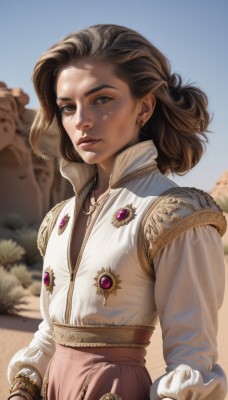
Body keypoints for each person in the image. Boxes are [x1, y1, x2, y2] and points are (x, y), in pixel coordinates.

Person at [7, 24, 227, 400]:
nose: (82, 121)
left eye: (102, 99)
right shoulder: (59, 218)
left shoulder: (174, 215)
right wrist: (23, 387)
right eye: (67, 107)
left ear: (144, 106)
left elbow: (192, 358)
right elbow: (51, 327)